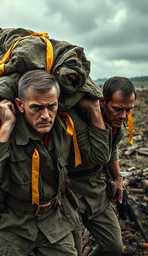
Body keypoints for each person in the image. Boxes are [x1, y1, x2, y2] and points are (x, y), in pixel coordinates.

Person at [0, 70, 109, 256]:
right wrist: (6, 126)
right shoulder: (3, 129)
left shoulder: (63, 125)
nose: (46, 115)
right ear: (20, 105)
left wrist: (95, 109)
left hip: (54, 220)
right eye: (36, 107)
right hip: (13, 225)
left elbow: (99, 156)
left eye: (51, 106)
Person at [67, 76, 136, 256]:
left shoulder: (116, 122)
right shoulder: (78, 118)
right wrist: (94, 110)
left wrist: (118, 178)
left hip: (96, 188)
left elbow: (111, 150)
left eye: (129, 110)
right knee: (71, 251)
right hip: (67, 190)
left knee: (113, 247)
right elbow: (98, 155)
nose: (123, 116)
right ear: (103, 102)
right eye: (118, 109)